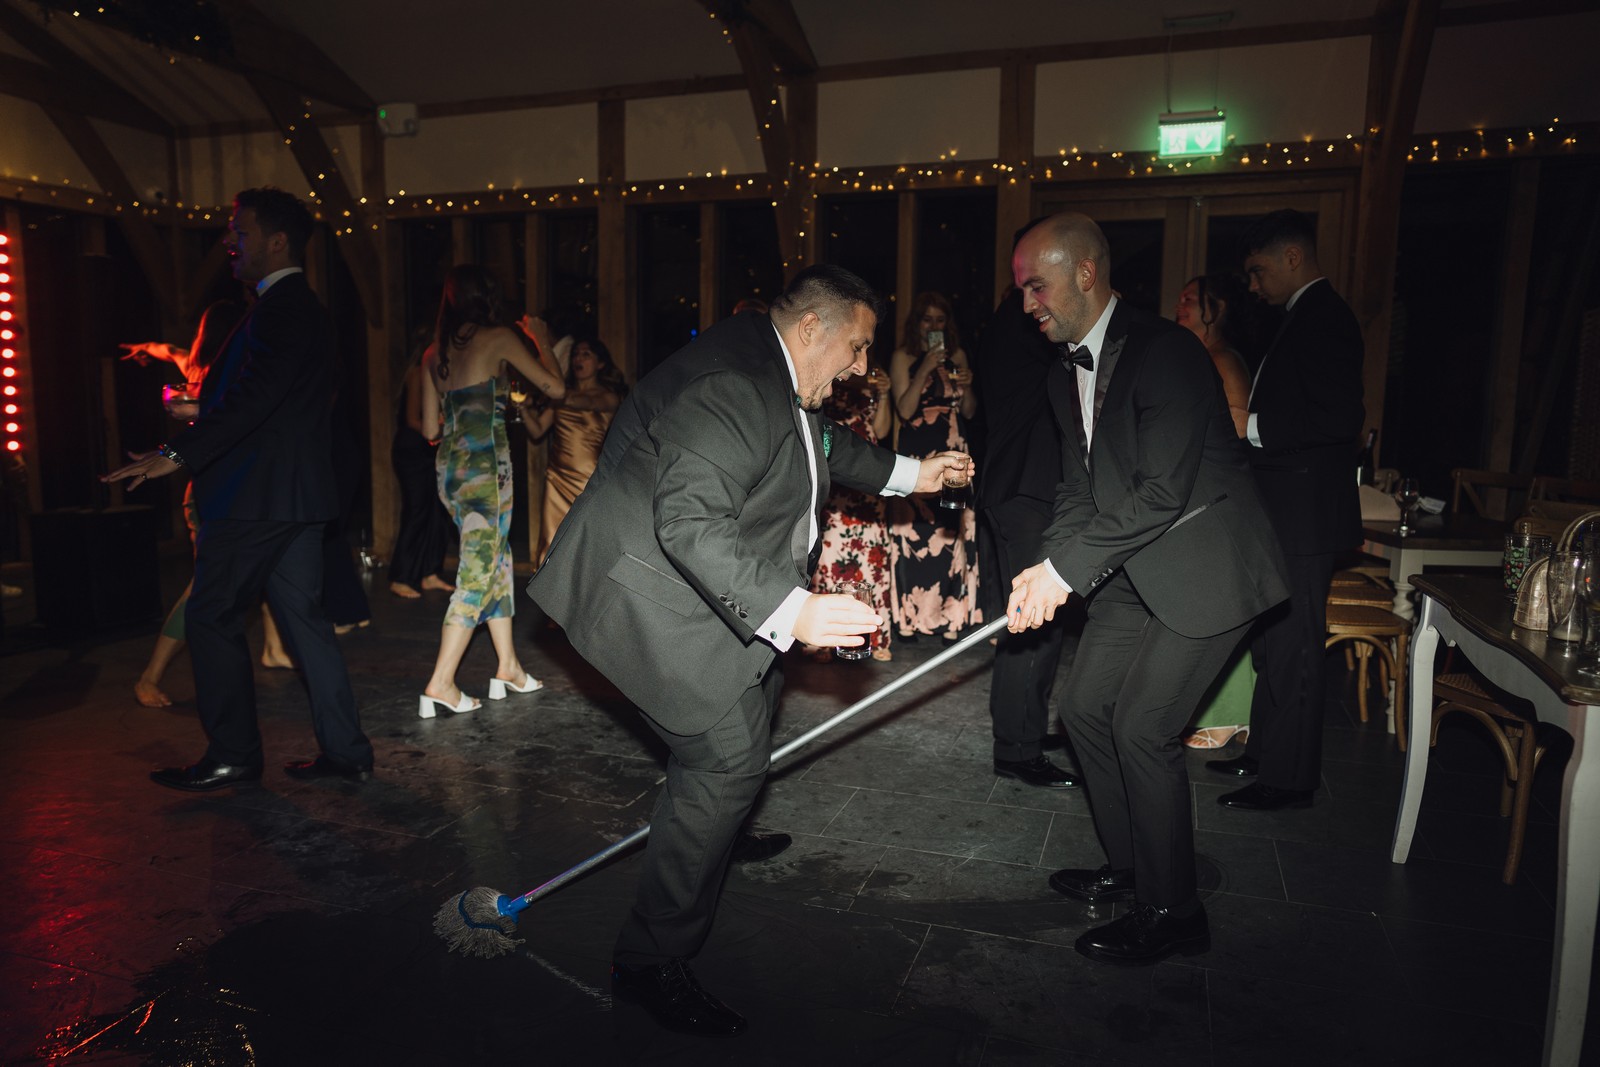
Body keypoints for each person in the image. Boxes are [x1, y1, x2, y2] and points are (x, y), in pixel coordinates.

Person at [528, 264, 970, 1035]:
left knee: (755, 701)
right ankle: (649, 960)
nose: (862, 366)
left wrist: (912, 472)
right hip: (651, 592)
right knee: (725, 759)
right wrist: (792, 608)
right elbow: (690, 523)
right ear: (812, 328)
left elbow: (824, 444)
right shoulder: (734, 383)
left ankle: (717, 830)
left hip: (708, 586)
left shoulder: (776, 364)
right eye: (858, 347)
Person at [1006, 213, 1289, 965]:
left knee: (1141, 725)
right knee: (1084, 709)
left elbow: (1162, 492)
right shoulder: (1061, 373)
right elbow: (1078, 490)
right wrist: (1046, 569)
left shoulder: (1167, 351)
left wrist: (1065, 573)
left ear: (1085, 273)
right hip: (1132, 565)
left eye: (1036, 286)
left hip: (1206, 562)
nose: (1027, 303)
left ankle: (1173, 911)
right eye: (1022, 289)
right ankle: (1135, 867)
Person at [105, 186, 375, 789]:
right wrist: (205, 410)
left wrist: (177, 452)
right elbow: (282, 401)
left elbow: (260, 396)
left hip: (257, 497)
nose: (230, 241)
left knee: (210, 614)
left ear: (276, 241)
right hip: (294, 495)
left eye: (240, 231)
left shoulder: (282, 308)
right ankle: (347, 751)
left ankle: (232, 755)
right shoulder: (299, 308)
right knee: (306, 625)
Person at [1212, 210, 1365, 811]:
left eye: (1258, 270)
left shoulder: (1326, 316)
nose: (1253, 285)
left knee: (1296, 646)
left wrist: (1250, 425)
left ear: (1292, 257)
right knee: (1273, 642)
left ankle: (1290, 779)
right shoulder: (1303, 315)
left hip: (1306, 516)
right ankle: (1264, 754)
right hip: (1287, 513)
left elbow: (1339, 420)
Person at [417, 265, 565, 718]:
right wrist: (541, 339)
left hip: (450, 471)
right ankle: (441, 682)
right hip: (486, 472)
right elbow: (555, 387)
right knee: (477, 571)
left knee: (496, 560)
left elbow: (429, 430)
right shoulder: (498, 337)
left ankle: (509, 667)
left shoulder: (433, 353)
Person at [977, 277, 1079, 788]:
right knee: (1034, 621)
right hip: (1029, 489)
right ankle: (1018, 748)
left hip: (1011, 486)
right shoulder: (1027, 325)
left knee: (1027, 619)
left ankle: (1024, 731)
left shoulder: (1006, 326)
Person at [119, 298, 246, 708]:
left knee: (261, 572)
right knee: (202, 587)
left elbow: (169, 350)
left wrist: (145, 348)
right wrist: (196, 409)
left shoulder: (199, 368)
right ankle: (149, 677)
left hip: (223, 489)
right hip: (210, 494)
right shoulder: (217, 376)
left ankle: (276, 650)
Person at [1174, 273, 1256, 750]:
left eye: (1190, 299)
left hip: (1217, 498)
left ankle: (1230, 715)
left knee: (1220, 604)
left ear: (1216, 307)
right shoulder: (1197, 355)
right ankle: (1216, 710)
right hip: (1197, 495)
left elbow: (1238, 429)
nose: (1180, 305)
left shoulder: (1224, 359)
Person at [887, 291, 981, 642]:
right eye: (927, 319)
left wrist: (967, 387)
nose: (933, 326)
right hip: (917, 453)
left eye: (940, 320)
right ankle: (910, 621)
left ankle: (952, 619)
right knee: (916, 533)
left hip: (954, 448)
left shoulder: (957, 355)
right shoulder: (903, 357)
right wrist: (926, 367)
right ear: (917, 322)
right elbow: (904, 410)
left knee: (951, 530)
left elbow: (969, 410)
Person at [809, 356, 895, 661]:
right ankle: (825, 639)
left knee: (871, 555)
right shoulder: (828, 372)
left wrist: (884, 393)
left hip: (869, 473)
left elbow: (881, 429)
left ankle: (876, 635)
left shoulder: (874, 374)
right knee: (832, 555)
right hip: (835, 467)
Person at [528, 335, 627, 569]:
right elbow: (537, 429)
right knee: (552, 537)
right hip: (557, 476)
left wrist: (549, 385)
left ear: (600, 364)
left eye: (586, 355)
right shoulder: (562, 395)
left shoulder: (608, 397)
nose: (578, 360)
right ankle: (547, 587)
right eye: (575, 355)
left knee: (586, 538)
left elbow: (584, 403)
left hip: (588, 478)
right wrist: (522, 407)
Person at [388, 329, 456, 599]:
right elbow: (412, 420)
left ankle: (430, 573)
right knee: (416, 510)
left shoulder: (441, 375)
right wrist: (442, 431)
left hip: (433, 449)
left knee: (438, 512)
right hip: (413, 450)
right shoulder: (417, 373)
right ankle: (401, 576)